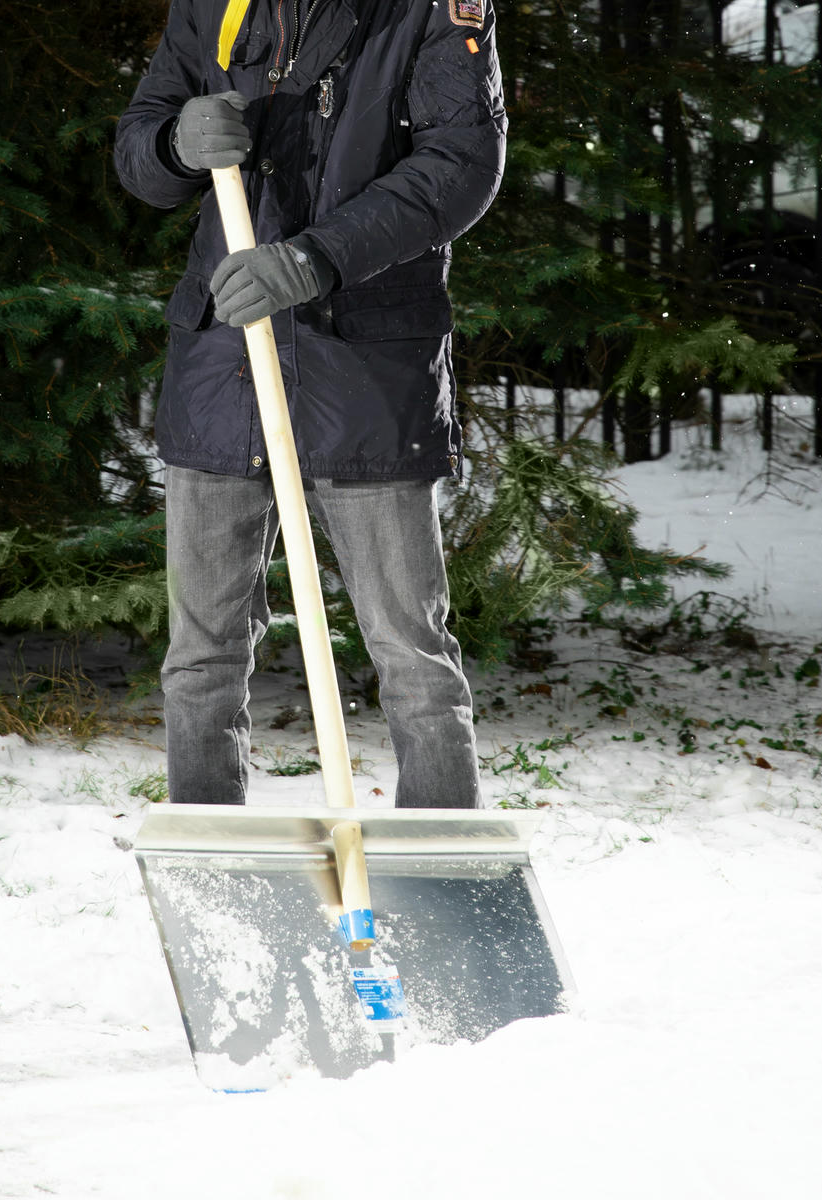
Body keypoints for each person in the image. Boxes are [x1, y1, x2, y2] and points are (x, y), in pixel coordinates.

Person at [115, 0, 507, 808]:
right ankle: (211, 861)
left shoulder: (430, 8)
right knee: (200, 655)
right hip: (221, 361)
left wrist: (318, 257)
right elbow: (140, 150)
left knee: (411, 652)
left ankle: (439, 870)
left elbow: (462, 163)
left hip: (362, 365)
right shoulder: (214, 7)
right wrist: (172, 143)